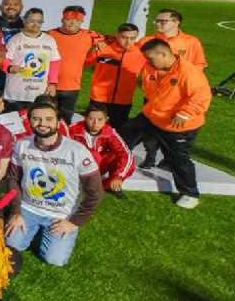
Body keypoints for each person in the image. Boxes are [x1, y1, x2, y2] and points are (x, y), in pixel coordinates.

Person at [5, 100, 104, 266]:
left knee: (55, 260)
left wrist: (74, 222)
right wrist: (16, 211)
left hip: (61, 214)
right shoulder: (21, 145)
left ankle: (43, 233)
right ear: (30, 121)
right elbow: (12, 180)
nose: (42, 123)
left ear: (58, 122)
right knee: (12, 247)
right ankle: (34, 230)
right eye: (36, 119)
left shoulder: (77, 151)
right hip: (28, 208)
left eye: (48, 119)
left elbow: (96, 193)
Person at [128, 38, 212, 208]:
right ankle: (108, 168)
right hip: (152, 116)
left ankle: (190, 193)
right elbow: (150, 90)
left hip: (178, 125)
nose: (147, 61)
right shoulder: (151, 67)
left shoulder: (189, 72)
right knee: (124, 135)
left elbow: (201, 96)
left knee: (178, 159)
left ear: (163, 54)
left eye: (150, 58)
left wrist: (185, 113)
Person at [48, 6, 103, 121]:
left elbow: (110, 40)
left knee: (65, 120)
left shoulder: (89, 36)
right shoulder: (50, 35)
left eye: (77, 20)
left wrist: (99, 45)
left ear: (82, 22)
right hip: (48, 85)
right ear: (62, 19)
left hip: (72, 87)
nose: (72, 23)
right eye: (68, 19)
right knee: (46, 117)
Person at [86, 22, 145, 130]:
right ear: (117, 35)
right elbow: (85, 62)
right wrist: (94, 50)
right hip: (99, 98)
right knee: (94, 129)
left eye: (132, 38)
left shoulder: (141, 54)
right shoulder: (103, 48)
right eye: (124, 37)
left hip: (123, 101)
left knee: (117, 131)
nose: (128, 41)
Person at [1, 8, 61, 112]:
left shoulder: (49, 40)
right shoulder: (15, 39)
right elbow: (4, 60)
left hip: (39, 94)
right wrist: (9, 68)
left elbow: (55, 62)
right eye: (31, 21)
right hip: (16, 94)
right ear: (24, 21)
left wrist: (52, 83)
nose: (35, 24)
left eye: (39, 21)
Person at [70, 105, 135, 196]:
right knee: (92, 154)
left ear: (106, 119)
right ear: (85, 118)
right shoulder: (73, 130)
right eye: (91, 119)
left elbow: (126, 154)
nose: (95, 123)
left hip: (99, 166)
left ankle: (109, 185)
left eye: (100, 120)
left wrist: (118, 176)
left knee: (126, 158)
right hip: (78, 166)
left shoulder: (109, 132)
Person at [0, 0, 25, 94]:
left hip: (18, 72)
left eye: (15, 4)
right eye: (7, 4)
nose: (11, 7)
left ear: (21, 7)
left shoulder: (27, 23)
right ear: (0, 7)